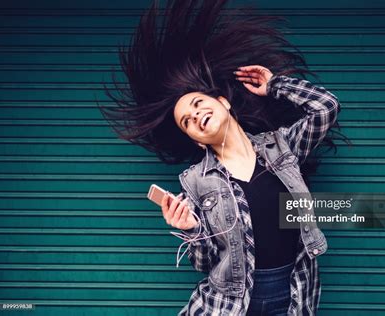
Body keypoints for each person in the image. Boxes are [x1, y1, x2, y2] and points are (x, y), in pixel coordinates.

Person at [99, 1, 347, 314]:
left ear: (223, 103)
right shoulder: (195, 181)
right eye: (186, 120)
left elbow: (326, 107)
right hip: (228, 304)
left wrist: (274, 86)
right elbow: (205, 262)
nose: (195, 115)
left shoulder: (282, 148)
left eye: (197, 104)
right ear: (195, 139)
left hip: (295, 293)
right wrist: (190, 229)